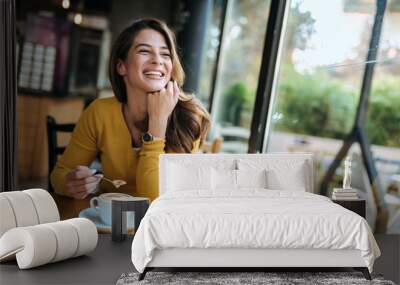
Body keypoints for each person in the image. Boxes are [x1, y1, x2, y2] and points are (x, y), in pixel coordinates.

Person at [50, 18, 210, 202]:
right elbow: (59, 175)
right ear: (121, 66)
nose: (157, 60)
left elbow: (154, 198)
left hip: (158, 227)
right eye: (144, 51)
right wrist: (71, 183)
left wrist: (157, 121)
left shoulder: (189, 118)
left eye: (166, 54)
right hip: (108, 222)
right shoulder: (100, 112)